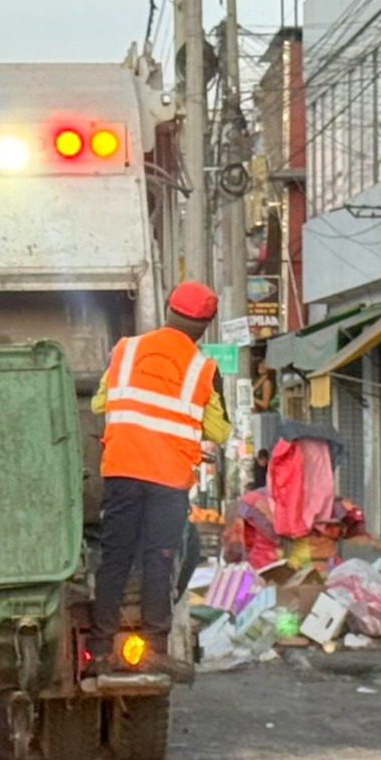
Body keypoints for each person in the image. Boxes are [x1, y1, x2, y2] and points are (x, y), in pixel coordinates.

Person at [89, 281, 232, 673]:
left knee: (114, 558)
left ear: (168, 309)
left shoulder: (125, 350)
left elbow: (100, 402)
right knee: (160, 558)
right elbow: (219, 431)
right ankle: (154, 647)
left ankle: (98, 652)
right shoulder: (204, 369)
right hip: (168, 480)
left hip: (122, 469)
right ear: (204, 327)